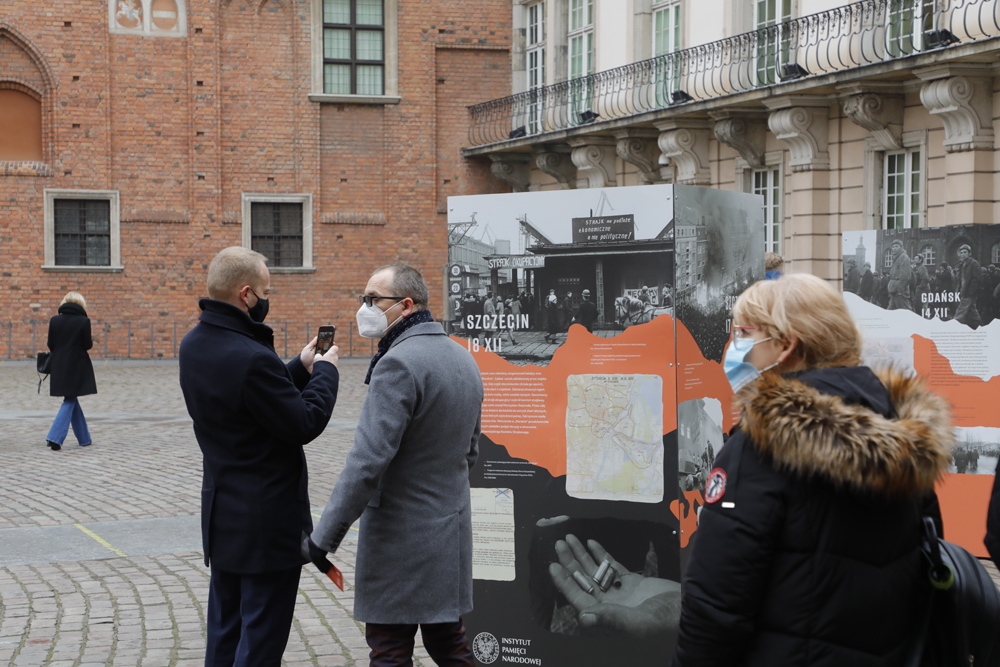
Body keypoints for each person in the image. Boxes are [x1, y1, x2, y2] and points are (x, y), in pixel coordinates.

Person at [672, 273, 953, 667]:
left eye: (744, 333)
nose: (733, 346)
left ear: (786, 345)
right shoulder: (900, 431)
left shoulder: (760, 449)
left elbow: (715, 610)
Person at [306, 263, 483, 667]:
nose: (364, 307)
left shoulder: (397, 363)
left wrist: (323, 538)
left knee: (389, 652)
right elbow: (469, 452)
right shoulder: (462, 358)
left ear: (405, 305)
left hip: (400, 542)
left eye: (373, 299)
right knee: (450, 647)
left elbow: (367, 463)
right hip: (449, 534)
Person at [178, 246, 341, 667]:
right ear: (246, 294)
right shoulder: (250, 355)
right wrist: (325, 371)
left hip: (224, 519)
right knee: (259, 646)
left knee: (225, 635)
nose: (268, 299)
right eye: (266, 291)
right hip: (266, 526)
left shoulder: (195, 344)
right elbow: (304, 421)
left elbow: (247, 398)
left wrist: (300, 366)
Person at [44, 291, 96, 451]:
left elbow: (50, 344)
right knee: (70, 400)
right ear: (81, 304)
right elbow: (87, 345)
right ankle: (54, 437)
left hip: (59, 365)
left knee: (71, 398)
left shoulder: (54, 320)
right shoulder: (84, 321)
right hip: (77, 366)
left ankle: (84, 438)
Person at [955, 243, 982, 329]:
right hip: (964, 291)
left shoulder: (974, 263)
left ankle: (953, 327)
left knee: (960, 312)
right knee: (973, 312)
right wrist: (959, 289)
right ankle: (981, 327)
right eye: (961, 252)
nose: (963, 254)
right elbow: (961, 279)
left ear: (969, 253)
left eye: (965, 252)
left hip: (969, 292)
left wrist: (969, 292)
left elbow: (977, 279)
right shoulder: (962, 264)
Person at [887, 239, 912, 311]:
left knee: (905, 312)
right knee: (890, 312)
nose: (894, 248)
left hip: (900, 292)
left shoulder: (903, 257)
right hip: (894, 291)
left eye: (896, 246)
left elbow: (906, 276)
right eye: (893, 247)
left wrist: (899, 290)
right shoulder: (896, 258)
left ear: (901, 247)